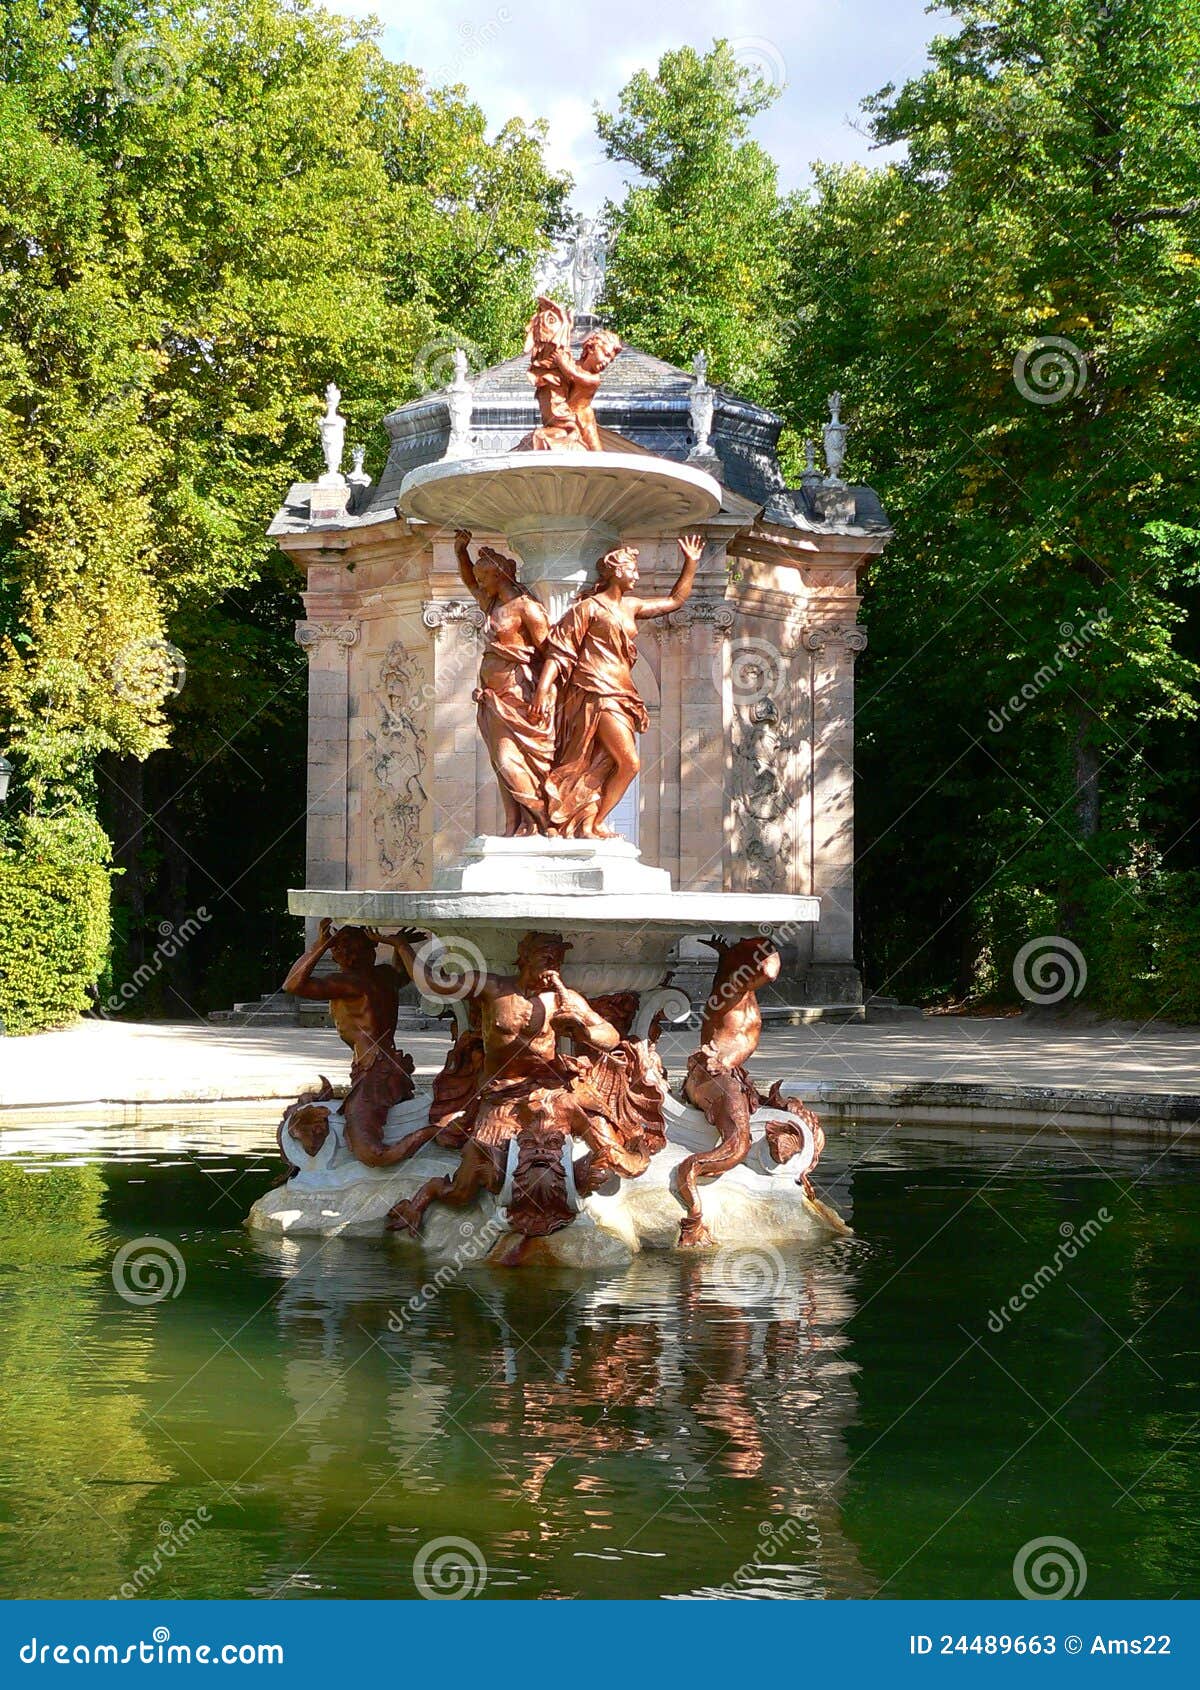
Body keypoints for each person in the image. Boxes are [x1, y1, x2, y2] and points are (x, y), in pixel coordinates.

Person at [382, 930, 626, 1240]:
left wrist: (583, 1031)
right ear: (524, 955)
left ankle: (614, 1160)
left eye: (558, 957)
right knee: (463, 1191)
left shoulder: (564, 1000)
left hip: (545, 1092)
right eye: (545, 954)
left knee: (596, 1131)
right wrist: (402, 946)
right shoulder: (493, 986)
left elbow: (611, 1036)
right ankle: (426, 1195)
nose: (553, 962)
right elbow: (434, 984)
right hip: (499, 1095)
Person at [533, 535, 704, 838]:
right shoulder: (588, 608)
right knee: (628, 762)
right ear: (614, 571)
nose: (637, 575)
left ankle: (585, 822)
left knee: (605, 761)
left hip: (620, 693)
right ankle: (591, 821)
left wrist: (690, 563)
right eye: (631, 569)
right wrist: (542, 689)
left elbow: (675, 601)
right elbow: (560, 651)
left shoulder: (632, 606)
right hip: (596, 693)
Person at [679, 935, 825, 1248]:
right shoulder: (732, 989)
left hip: (728, 1073)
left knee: (739, 1139)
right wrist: (763, 942)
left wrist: (728, 952)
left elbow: (760, 971)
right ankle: (694, 1206)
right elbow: (771, 970)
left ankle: (698, 1188)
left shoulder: (732, 987)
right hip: (715, 1074)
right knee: (737, 1142)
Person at [281, 920, 418, 1168]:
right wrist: (400, 946)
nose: (339, 953)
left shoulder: (349, 983)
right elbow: (405, 975)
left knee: (367, 1149)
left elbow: (292, 984)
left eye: (344, 946)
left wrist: (318, 946)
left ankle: (425, 1139)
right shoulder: (386, 976)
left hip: (373, 1068)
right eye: (336, 947)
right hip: (389, 1064)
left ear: (367, 951)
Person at [453, 529, 553, 834]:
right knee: (500, 763)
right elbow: (469, 581)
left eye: (485, 579)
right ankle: (513, 825)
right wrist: (461, 552)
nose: (479, 585)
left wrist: (543, 693)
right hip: (491, 697)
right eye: (481, 581)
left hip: (517, 693)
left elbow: (551, 654)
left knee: (510, 761)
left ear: (499, 576)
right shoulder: (493, 604)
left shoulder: (528, 609)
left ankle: (544, 821)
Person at [518, 296, 621, 451]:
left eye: (610, 360)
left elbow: (572, 374)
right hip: (566, 415)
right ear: (591, 347)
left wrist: (560, 362)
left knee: (597, 455)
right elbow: (566, 363)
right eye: (606, 354)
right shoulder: (576, 363)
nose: (606, 361)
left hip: (584, 420)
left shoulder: (593, 379)